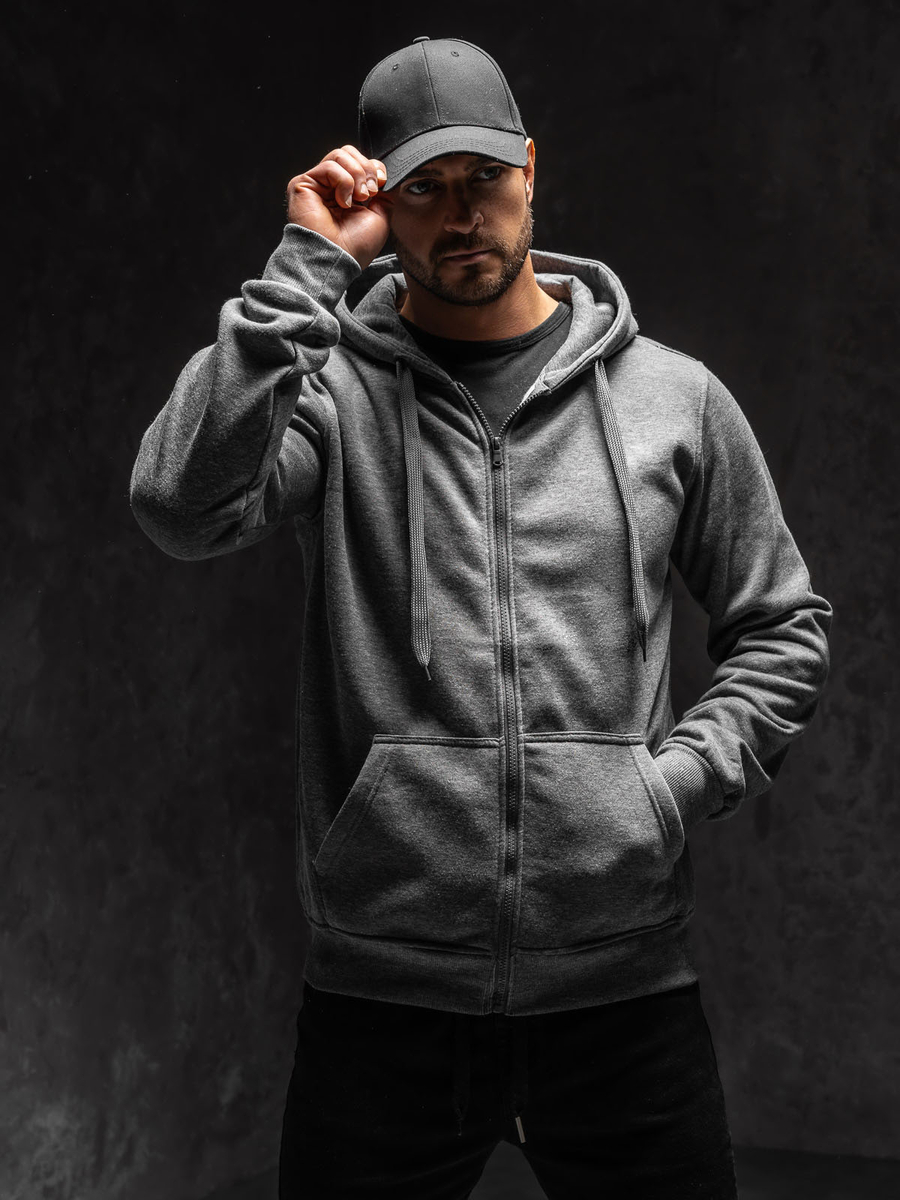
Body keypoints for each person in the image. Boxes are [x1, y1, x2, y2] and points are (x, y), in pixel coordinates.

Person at [129, 35, 833, 1200]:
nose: (462, 215)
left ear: (531, 171)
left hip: (622, 1001)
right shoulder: (332, 397)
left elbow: (783, 627)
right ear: (380, 203)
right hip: (381, 1010)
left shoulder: (674, 401)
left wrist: (671, 786)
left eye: (484, 178)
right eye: (425, 189)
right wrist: (305, 269)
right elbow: (178, 506)